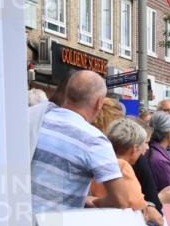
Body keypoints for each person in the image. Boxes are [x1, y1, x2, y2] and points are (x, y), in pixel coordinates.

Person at [31, 70, 134, 213]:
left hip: (16, 218)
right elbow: (121, 199)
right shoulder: (94, 140)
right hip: (56, 224)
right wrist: (96, 202)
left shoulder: (37, 119)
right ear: (99, 102)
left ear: (67, 93)